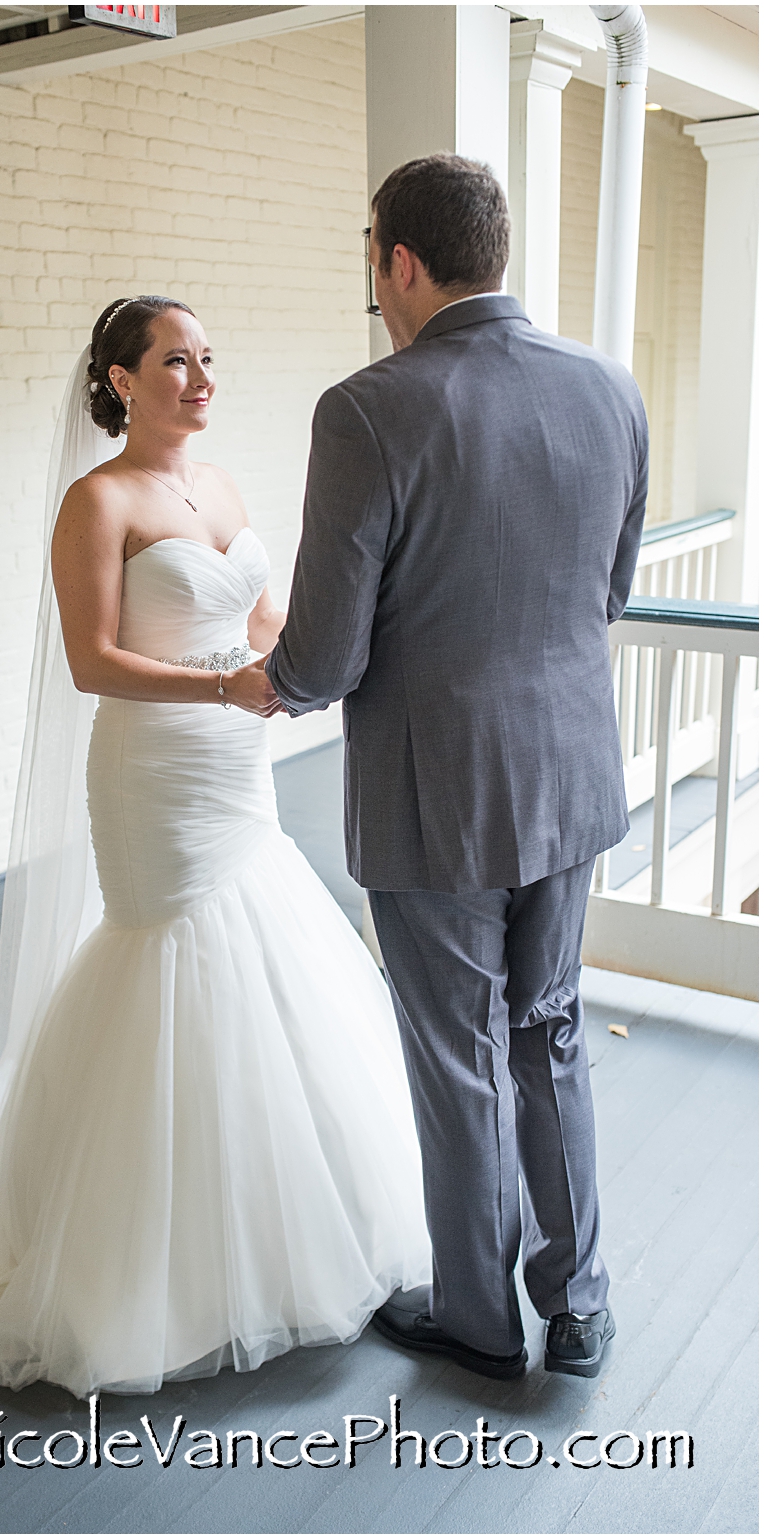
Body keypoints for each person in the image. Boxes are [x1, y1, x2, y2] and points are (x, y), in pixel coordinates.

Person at [0, 295, 432, 1398]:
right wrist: (221, 686)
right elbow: (91, 661)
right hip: (152, 770)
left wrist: (340, 654)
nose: (196, 378)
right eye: (172, 362)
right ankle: (149, 1255)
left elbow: (266, 625)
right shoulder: (93, 502)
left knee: (268, 950)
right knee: (170, 958)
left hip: (236, 766)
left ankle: (286, 1212)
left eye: (204, 358)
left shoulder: (221, 486)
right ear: (118, 381)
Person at [264, 153, 643, 1381]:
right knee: (550, 1031)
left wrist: (257, 681)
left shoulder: (364, 408)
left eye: (371, 261)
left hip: (437, 797)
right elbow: (609, 595)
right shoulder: (607, 388)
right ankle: (577, 1304)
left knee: (456, 1054)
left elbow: (318, 661)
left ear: (399, 262)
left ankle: (481, 1321)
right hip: (571, 773)